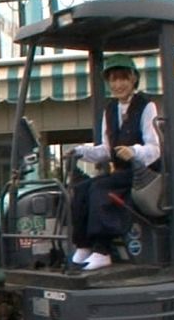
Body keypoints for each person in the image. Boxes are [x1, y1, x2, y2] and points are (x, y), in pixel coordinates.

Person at [67, 54, 161, 271]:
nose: (118, 84)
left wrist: (134, 152)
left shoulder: (146, 106)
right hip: (121, 174)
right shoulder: (109, 110)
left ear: (133, 79)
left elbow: (154, 148)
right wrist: (79, 152)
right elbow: (106, 150)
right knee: (81, 189)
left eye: (123, 78)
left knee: (100, 188)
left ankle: (102, 249)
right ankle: (83, 245)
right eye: (113, 79)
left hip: (143, 174)